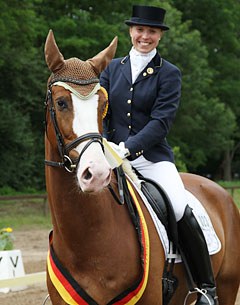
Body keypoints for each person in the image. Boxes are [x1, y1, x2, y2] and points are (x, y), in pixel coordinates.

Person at [100, 4, 218, 305]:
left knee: (179, 206)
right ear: (130, 31)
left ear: (159, 36)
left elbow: (161, 122)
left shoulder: (169, 74)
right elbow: (101, 112)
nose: (144, 36)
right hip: (109, 155)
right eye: (140, 30)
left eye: (151, 31)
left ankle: (206, 288)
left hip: (151, 158)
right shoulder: (112, 68)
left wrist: (126, 148)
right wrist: (101, 143)